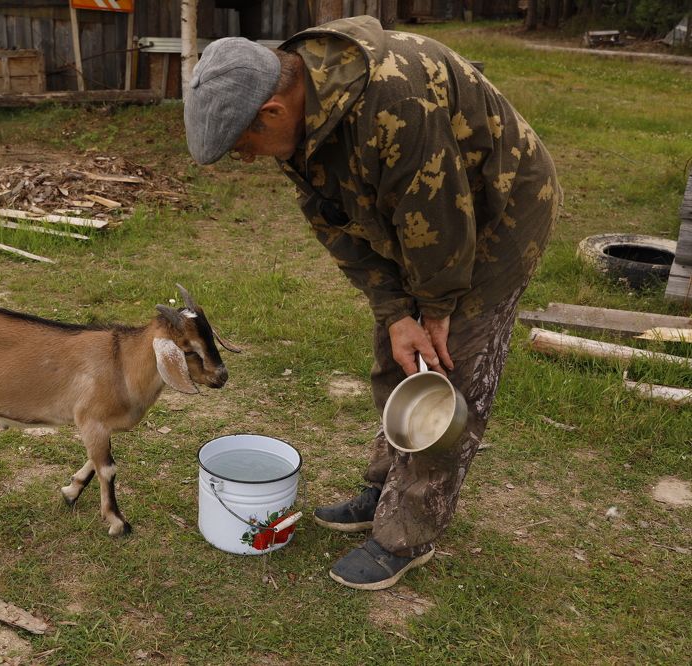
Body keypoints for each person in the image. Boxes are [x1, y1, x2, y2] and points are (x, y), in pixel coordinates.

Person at [183, 16, 561, 590]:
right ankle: (386, 485)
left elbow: (441, 221)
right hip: (421, 217)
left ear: (273, 113)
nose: (248, 159)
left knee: (446, 369)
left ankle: (407, 533)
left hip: (495, 213)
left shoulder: (396, 101)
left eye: (243, 147)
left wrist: (433, 312)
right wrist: (395, 312)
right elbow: (335, 225)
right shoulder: (299, 118)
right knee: (398, 352)